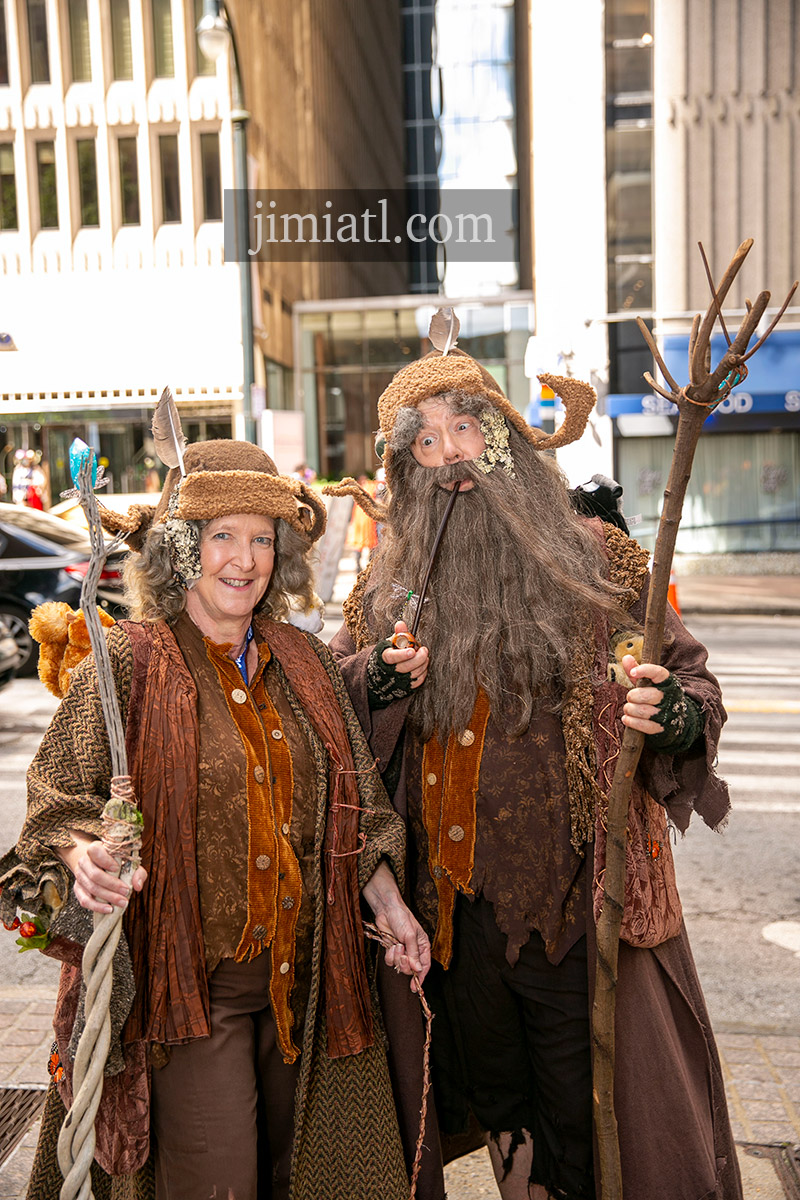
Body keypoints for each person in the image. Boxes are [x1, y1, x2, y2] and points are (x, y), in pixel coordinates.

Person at [325, 326, 743, 1200]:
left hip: (576, 908)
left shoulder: (595, 559)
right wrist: (380, 682)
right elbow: (331, 711)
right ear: (406, 473)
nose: (450, 460)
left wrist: (669, 714)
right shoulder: (388, 592)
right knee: (499, 1101)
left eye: (465, 431)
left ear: (507, 440)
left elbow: (692, 682)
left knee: (586, 1111)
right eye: (426, 443)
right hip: (452, 921)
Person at [0, 436, 433, 1200]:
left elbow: (355, 806)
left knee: (306, 1176)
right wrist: (81, 853)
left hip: (312, 983)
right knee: (218, 1181)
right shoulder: (127, 661)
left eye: (262, 538)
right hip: (187, 996)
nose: (245, 558)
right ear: (178, 550)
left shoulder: (306, 660)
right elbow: (55, 804)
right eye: (221, 536)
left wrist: (391, 906)